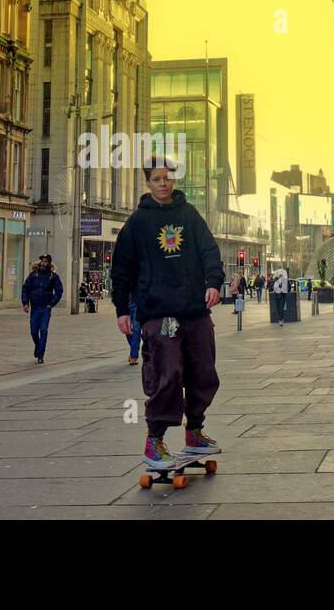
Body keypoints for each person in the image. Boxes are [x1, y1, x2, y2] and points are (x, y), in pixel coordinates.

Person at [112, 156, 224, 470]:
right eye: (157, 179)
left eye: (168, 178)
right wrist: (122, 309)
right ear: (147, 183)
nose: (164, 183)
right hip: (159, 313)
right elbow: (121, 268)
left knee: (204, 372)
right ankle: (154, 439)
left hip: (194, 311)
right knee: (167, 373)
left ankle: (195, 432)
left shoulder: (188, 214)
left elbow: (209, 251)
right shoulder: (137, 223)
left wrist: (213, 282)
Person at [21, 254, 63, 363]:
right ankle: (38, 346)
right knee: (33, 331)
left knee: (43, 330)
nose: (43, 263)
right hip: (35, 308)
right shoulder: (33, 275)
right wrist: (25, 303)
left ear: (49, 263)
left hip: (45, 307)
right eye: (42, 261)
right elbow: (25, 288)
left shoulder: (53, 276)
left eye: (46, 261)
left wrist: (51, 304)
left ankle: (41, 355)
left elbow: (59, 291)